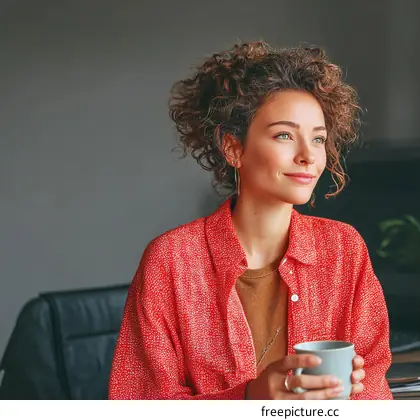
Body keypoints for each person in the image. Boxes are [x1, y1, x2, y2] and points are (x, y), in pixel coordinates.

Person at [108, 41, 393, 400]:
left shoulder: (343, 249)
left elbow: (375, 391)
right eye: (284, 135)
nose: (308, 156)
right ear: (234, 148)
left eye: (318, 139)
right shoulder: (171, 261)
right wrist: (250, 398)